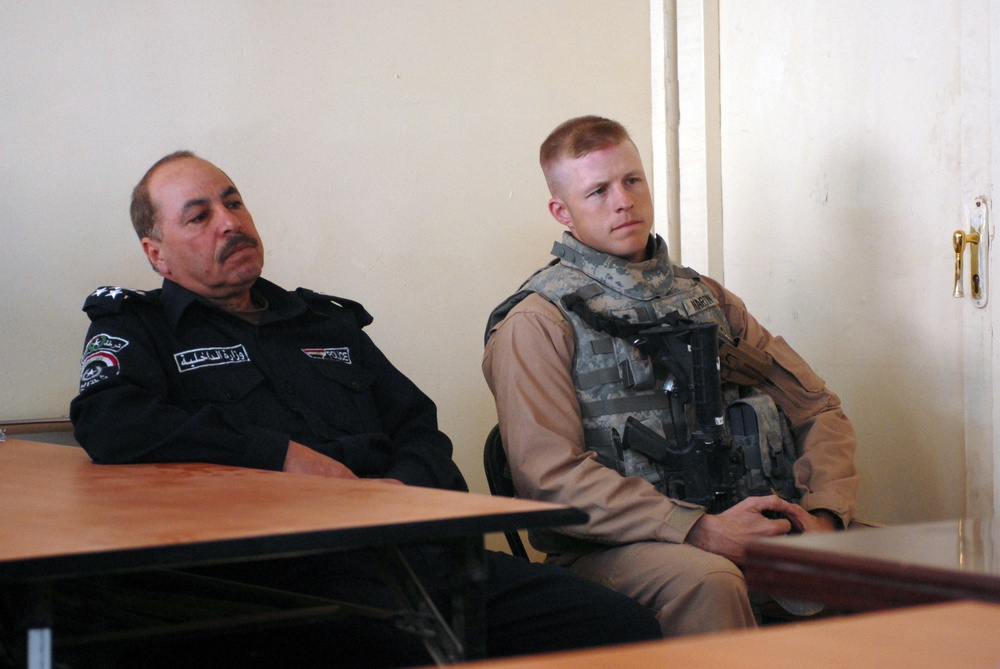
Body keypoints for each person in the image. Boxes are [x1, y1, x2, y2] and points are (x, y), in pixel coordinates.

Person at [69, 150, 660, 668]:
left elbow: (417, 426)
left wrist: (399, 494)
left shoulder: (321, 320)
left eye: (234, 203)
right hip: (286, 580)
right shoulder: (140, 328)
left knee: (619, 626)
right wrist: (280, 458)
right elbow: (111, 421)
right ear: (157, 253)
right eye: (200, 217)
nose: (230, 223)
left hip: (412, 554)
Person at [482, 116, 860, 638]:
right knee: (709, 580)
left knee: (891, 563)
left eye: (632, 180)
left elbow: (815, 408)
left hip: (748, 518)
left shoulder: (704, 298)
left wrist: (824, 516)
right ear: (561, 211)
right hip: (615, 549)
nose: (623, 201)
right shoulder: (537, 321)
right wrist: (697, 529)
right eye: (598, 190)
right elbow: (551, 479)